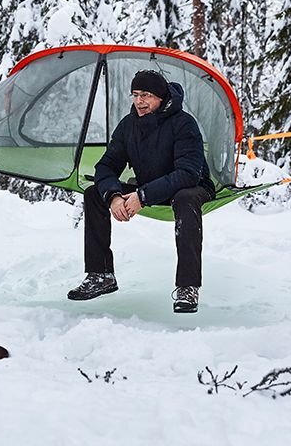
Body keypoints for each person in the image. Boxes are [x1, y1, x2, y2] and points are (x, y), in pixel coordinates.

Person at [67, 69, 216, 313]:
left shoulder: (184, 123)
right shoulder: (129, 126)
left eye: (145, 95)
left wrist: (143, 196)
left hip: (192, 186)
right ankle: (101, 275)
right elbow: (106, 166)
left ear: (161, 97)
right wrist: (114, 196)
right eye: (135, 95)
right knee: (95, 193)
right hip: (150, 185)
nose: (139, 101)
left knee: (186, 198)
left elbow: (188, 173)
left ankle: (188, 287)